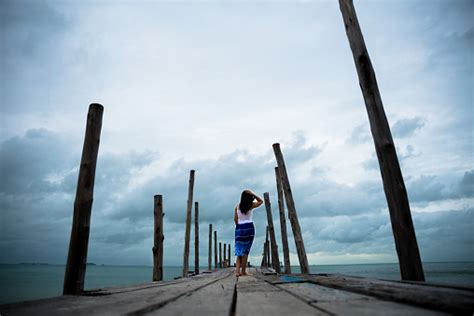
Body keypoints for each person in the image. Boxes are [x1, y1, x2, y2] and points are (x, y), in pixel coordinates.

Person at [234, 189, 263, 277]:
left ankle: (237, 272)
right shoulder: (251, 205)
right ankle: (243, 271)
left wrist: (239, 227)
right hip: (249, 228)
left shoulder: (237, 206)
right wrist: (253, 194)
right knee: (246, 251)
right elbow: (261, 201)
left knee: (239, 250)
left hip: (240, 228)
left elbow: (235, 219)